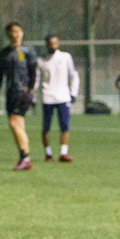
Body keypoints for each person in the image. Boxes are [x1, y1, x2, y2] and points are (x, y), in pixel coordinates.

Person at [0, 21, 37, 170]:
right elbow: (0, 75)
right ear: (8, 34)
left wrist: (30, 91)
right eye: (14, 31)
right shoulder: (4, 53)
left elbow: (33, 73)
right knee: (18, 126)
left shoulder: (28, 51)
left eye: (19, 31)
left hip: (22, 92)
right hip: (10, 92)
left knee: (14, 122)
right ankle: (25, 158)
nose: (17, 34)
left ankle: (25, 157)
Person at [37, 33, 80, 161]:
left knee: (64, 125)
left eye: (55, 43)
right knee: (46, 127)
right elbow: (36, 79)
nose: (53, 46)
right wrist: (33, 96)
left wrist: (73, 92)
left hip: (63, 97)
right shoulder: (41, 61)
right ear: (47, 45)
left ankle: (63, 153)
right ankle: (48, 154)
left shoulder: (65, 57)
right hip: (47, 97)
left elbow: (74, 75)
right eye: (51, 44)